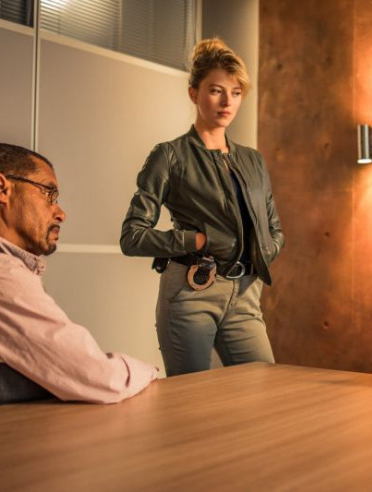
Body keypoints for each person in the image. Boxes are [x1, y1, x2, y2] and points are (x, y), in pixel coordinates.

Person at [0, 143, 157, 410]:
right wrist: (152, 371)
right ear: (2, 189)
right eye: (49, 194)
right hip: (14, 436)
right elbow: (102, 379)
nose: (60, 213)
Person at [120, 38, 284, 376]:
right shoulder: (169, 156)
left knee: (265, 390)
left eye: (236, 92)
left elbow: (274, 228)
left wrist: (264, 250)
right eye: (216, 91)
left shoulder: (252, 160)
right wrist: (197, 241)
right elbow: (132, 236)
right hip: (192, 291)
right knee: (191, 398)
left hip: (245, 294)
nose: (227, 102)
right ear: (194, 93)